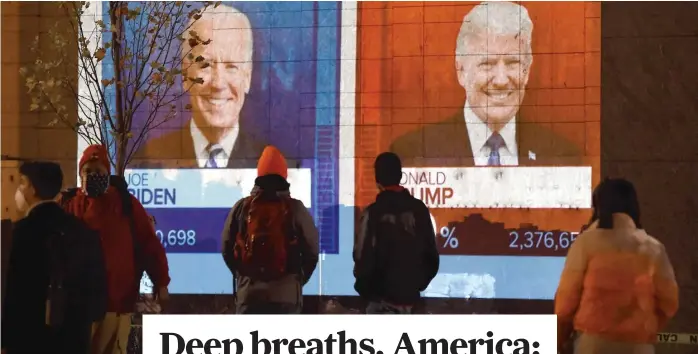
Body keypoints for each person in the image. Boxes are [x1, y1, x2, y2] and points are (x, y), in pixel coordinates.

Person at [390, 1, 582, 167]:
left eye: (512, 63)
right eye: (487, 64)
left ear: (527, 71)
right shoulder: (413, 153)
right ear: (461, 71)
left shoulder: (562, 155)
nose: (500, 80)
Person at [61, 145, 171, 354]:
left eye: (99, 172)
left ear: (108, 174)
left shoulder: (126, 204)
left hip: (117, 303)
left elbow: (149, 245)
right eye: (88, 172)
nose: (93, 176)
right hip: (79, 304)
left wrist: (161, 282)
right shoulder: (71, 205)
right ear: (80, 174)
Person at [555, 178, 679, 354]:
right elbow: (669, 303)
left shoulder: (586, 244)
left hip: (593, 345)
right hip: (639, 347)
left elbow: (565, 304)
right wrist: (645, 328)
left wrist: (559, 340)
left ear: (598, 206)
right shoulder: (654, 248)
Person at [135, 4, 266, 169]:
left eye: (231, 66)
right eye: (205, 65)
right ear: (185, 75)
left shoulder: (270, 165)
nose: (218, 84)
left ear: (247, 77)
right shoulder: (148, 161)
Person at [2, 161, 106, 354]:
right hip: (73, 339)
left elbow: (12, 292)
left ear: (33, 189)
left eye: (23, 183)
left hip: (29, 339)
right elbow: (96, 291)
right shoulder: (82, 231)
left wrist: (6, 341)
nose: (20, 189)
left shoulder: (22, 233)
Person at [221, 145, 319, 314]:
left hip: (249, 296)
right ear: (284, 175)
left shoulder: (242, 208)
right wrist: (296, 280)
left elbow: (226, 247)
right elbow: (312, 252)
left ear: (259, 175)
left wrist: (243, 275)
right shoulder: (296, 208)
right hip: (286, 297)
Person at [353, 152, 440, 314]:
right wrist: (415, 286)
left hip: (379, 302)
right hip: (411, 302)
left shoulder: (372, 213)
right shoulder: (419, 209)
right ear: (400, 175)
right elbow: (432, 258)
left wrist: (367, 290)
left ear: (377, 179)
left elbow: (361, 257)